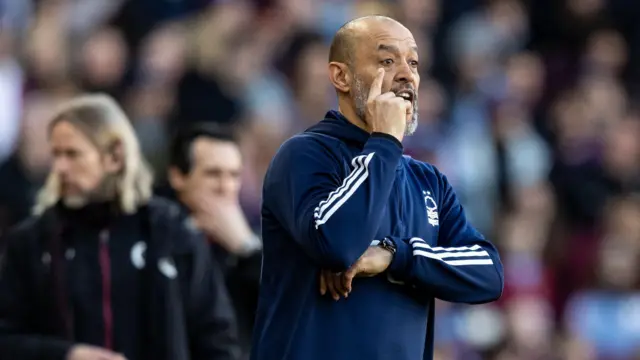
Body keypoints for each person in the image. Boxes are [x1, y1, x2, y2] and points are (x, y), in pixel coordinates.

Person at [251, 16, 504, 360]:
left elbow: (488, 273)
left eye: (413, 62)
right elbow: (336, 242)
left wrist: (394, 255)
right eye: (387, 61)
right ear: (341, 76)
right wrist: (384, 140)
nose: (407, 74)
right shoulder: (304, 155)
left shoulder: (427, 180)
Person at [0, 94, 240, 360]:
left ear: (114, 157)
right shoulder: (33, 241)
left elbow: (216, 339)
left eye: (72, 154)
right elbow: (6, 339)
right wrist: (67, 354)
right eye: (56, 154)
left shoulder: (170, 233)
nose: (59, 168)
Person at [166, 123, 262, 357]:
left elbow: (287, 309)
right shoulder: (156, 239)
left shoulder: (255, 245)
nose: (226, 187)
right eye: (213, 174)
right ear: (178, 177)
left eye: (234, 175)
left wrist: (247, 249)